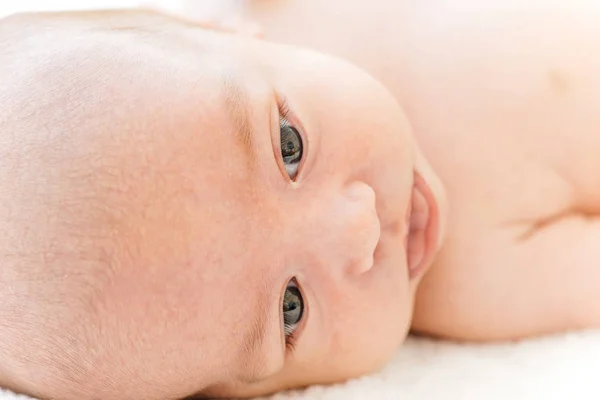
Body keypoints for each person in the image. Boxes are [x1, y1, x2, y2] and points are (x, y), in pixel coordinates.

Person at [0, 2, 598, 399]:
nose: (361, 230)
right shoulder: (477, 280)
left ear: (219, 29)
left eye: (290, 147)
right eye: (291, 309)